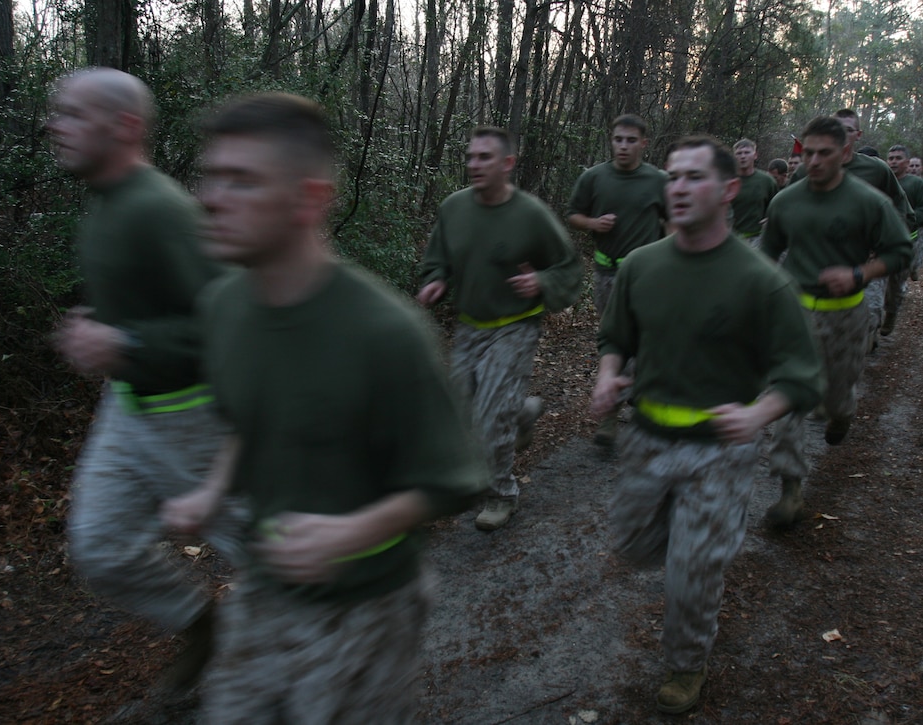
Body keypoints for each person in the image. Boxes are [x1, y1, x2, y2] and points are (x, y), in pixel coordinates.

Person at [162, 92, 488, 723]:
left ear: (308, 200)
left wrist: (350, 532)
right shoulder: (223, 309)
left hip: (368, 607)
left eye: (243, 181)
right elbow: (249, 419)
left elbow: (454, 480)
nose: (210, 197)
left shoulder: (384, 332)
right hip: (262, 587)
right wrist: (211, 491)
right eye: (211, 176)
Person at [592, 135, 822, 714]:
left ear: (729, 190)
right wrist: (609, 375)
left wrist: (757, 413)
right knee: (633, 544)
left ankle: (685, 662)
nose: (679, 188)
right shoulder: (642, 266)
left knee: (689, 572)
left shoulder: (761, 280)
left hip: (720, 448)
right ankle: (695, 546)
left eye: (694, 177)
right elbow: (616, 337)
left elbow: (801, 376)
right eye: (673, 177)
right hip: (647, 439)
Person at [49, 67, 243, 693]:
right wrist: (99, 331)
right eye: (58, 111)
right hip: (127, 412)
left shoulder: (161, 209)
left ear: (125, 127)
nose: (56, 124)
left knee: (272, 557)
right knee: (100, 546)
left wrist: (126, 341)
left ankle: (326, 669)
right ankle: (201, 626)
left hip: (199, 421)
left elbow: (226, 326)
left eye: (74, 113)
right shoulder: (105, 204)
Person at [419, 127, 582, 530]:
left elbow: (568, 266)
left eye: (484, 158)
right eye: (471, 157)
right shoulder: (454, 208)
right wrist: (436, 279)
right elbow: (436, 258)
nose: (474, 164)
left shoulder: (530, 214)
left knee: (490, 418)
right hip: (470, 326)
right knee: (460, 412)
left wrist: (541, 283)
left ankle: (501, 494)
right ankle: (522, 412)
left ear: (507, 164)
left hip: (515, 326)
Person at [760, 116, 913, 527]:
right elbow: (764, 256)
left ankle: (843, 411)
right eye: (806, 153)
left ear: (845, 153)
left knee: (835, 400)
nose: (812, 161)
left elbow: (901, 251)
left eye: (823, 153)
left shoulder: (868, 202)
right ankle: (789, 490)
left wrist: (859, 275)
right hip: (795, 316)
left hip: (846, 317)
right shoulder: (785, 202)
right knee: (788, 401)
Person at [567, 114, 668, 447]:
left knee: (648, 341)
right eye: (618, 139)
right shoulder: (594, 177)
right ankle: (613, 412)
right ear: (611, 140)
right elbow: (574, 216)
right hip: (606, 274)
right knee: (615, 341)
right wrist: (594, 224)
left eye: (630, 140)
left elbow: (674, 223)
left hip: (648, 277)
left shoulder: (659, 181)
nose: (623, 146)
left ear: (644, 143)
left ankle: (632, 398)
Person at [792, 109, 914, 352]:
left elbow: (903, 209)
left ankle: (857, 358)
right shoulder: (807, 170)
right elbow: (788, 208)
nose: (841, 135)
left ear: (857, 135)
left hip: (867, 260)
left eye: (848, 130)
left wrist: (885, 242)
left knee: (869, 313)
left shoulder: (876, 170)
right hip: (821, 259)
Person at [883, 144, 923, 333]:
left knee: (896, 282)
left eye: (898, 158)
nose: (893, 162)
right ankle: (871, 322)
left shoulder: (917, 184)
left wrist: (906, 220)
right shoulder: (882, 181)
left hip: (906, 241)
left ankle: (891, 314)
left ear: (906, 162)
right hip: (880, 243)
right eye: (891, 158)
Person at [730, 138, 778, 246]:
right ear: (734, 157)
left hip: (758, 238)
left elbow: (777, 207)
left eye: (747, 152)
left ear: (755, 155)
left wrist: (771, 219)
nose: (743, 156)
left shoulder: (767, 181)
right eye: (739, 153)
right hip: (731, 238)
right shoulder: (727, 181)